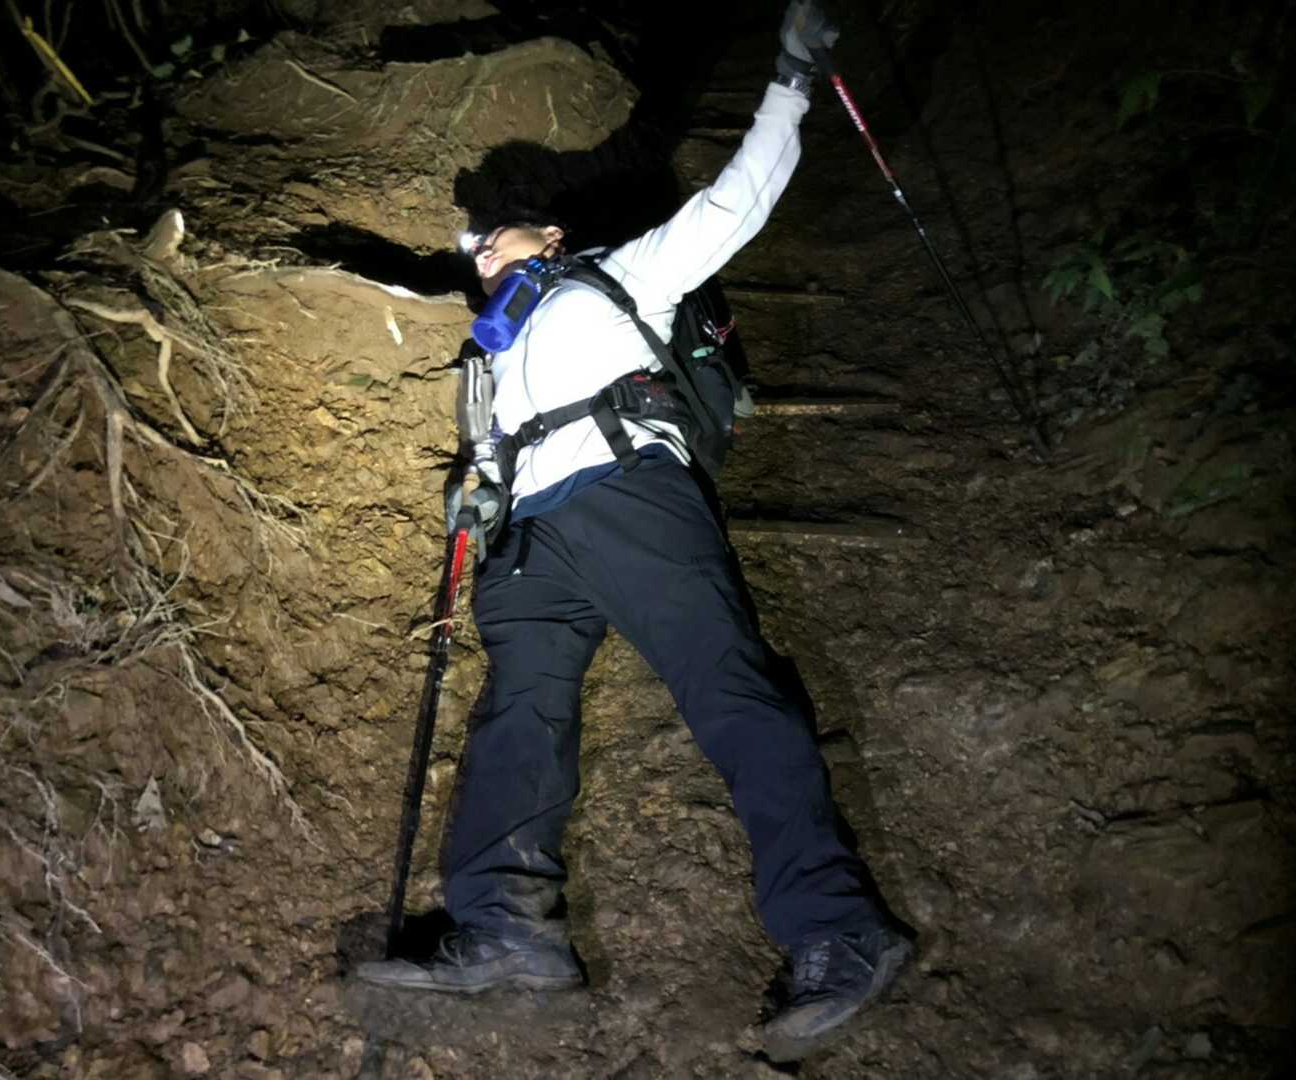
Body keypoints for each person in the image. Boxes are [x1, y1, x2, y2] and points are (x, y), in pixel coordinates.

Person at [358, 0, 913, 1051]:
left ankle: (838, 929)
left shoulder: (615, 278)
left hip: (629, 496)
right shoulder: (486, 355)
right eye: (470, 245)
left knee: (729, 692)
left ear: (552, 236)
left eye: (494, 231)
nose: (477, 248)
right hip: (529, 542)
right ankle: (508, 931)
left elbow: (734, 205)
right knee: (518, 718)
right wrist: (475, 487)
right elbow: (491, 455)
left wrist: (791, 82)